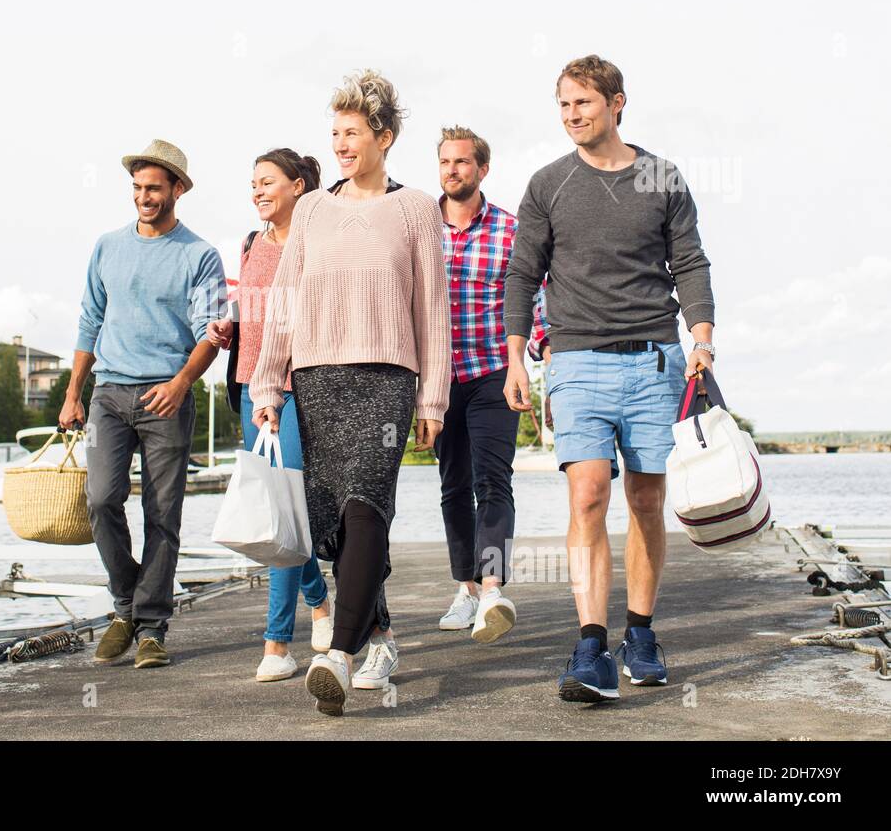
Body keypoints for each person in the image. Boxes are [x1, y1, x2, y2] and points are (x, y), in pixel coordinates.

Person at [503, 55, 716, 702]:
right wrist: (516, 355)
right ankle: (591, 644)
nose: (572, 115)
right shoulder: (548, 184)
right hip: (576, 359)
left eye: (584, 104)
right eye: (564, 105)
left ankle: (642, 633)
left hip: (655, 359)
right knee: (589, 494)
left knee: (648, 500)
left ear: (617, 103)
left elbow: (691, 264)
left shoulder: (661, 177)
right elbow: (521, 274)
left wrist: (702, 335)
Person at [249, 70, 449, 716]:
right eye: (334, 132)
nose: (340, 143)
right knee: (333, 526)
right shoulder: (310, 209)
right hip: (317, 377)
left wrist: (432, 400)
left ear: (384, 136)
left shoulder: (416, 208)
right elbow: (283, 304)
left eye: (353, 132)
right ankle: (383, 638)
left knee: (367, 507)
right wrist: (269, 385)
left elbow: (433, 310)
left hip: (387, 378)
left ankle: (337, 652)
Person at [60, 139, 228, 670]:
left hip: (166, 396)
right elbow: (90, 319)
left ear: (177, 189)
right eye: (137, 188)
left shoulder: (200, 256)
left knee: (163, 516)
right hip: (109, 392)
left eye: (154, 188)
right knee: (101, 500)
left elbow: (211, 332)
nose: (144, 197)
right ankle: (126, 605)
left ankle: (151, 628)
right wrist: (72, 393)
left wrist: (181, 384)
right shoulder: (108, 246)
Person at [206, 149, 333, 683]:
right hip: (249, 388)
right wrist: (229, 326)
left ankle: (277, 644)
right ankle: (320, 602)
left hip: (296, 387)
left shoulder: (318, 245)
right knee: (276, 501)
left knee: (287, 499)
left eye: (267, 182)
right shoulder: (251, 243)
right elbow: (255, 309)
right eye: (252, 184)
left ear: (298, 186)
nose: (257, 191)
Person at [432, 126, 545, 642]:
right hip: (436, 378)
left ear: (482, 169)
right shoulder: (419, 229)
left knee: (493, 481)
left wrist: (543, 346)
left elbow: (532, 296)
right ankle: (467, 588)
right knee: (453, 486)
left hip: (493, 373)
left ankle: (494, 587)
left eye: (462, 162)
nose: (452, 170)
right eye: (445, 162)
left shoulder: (509, 229)